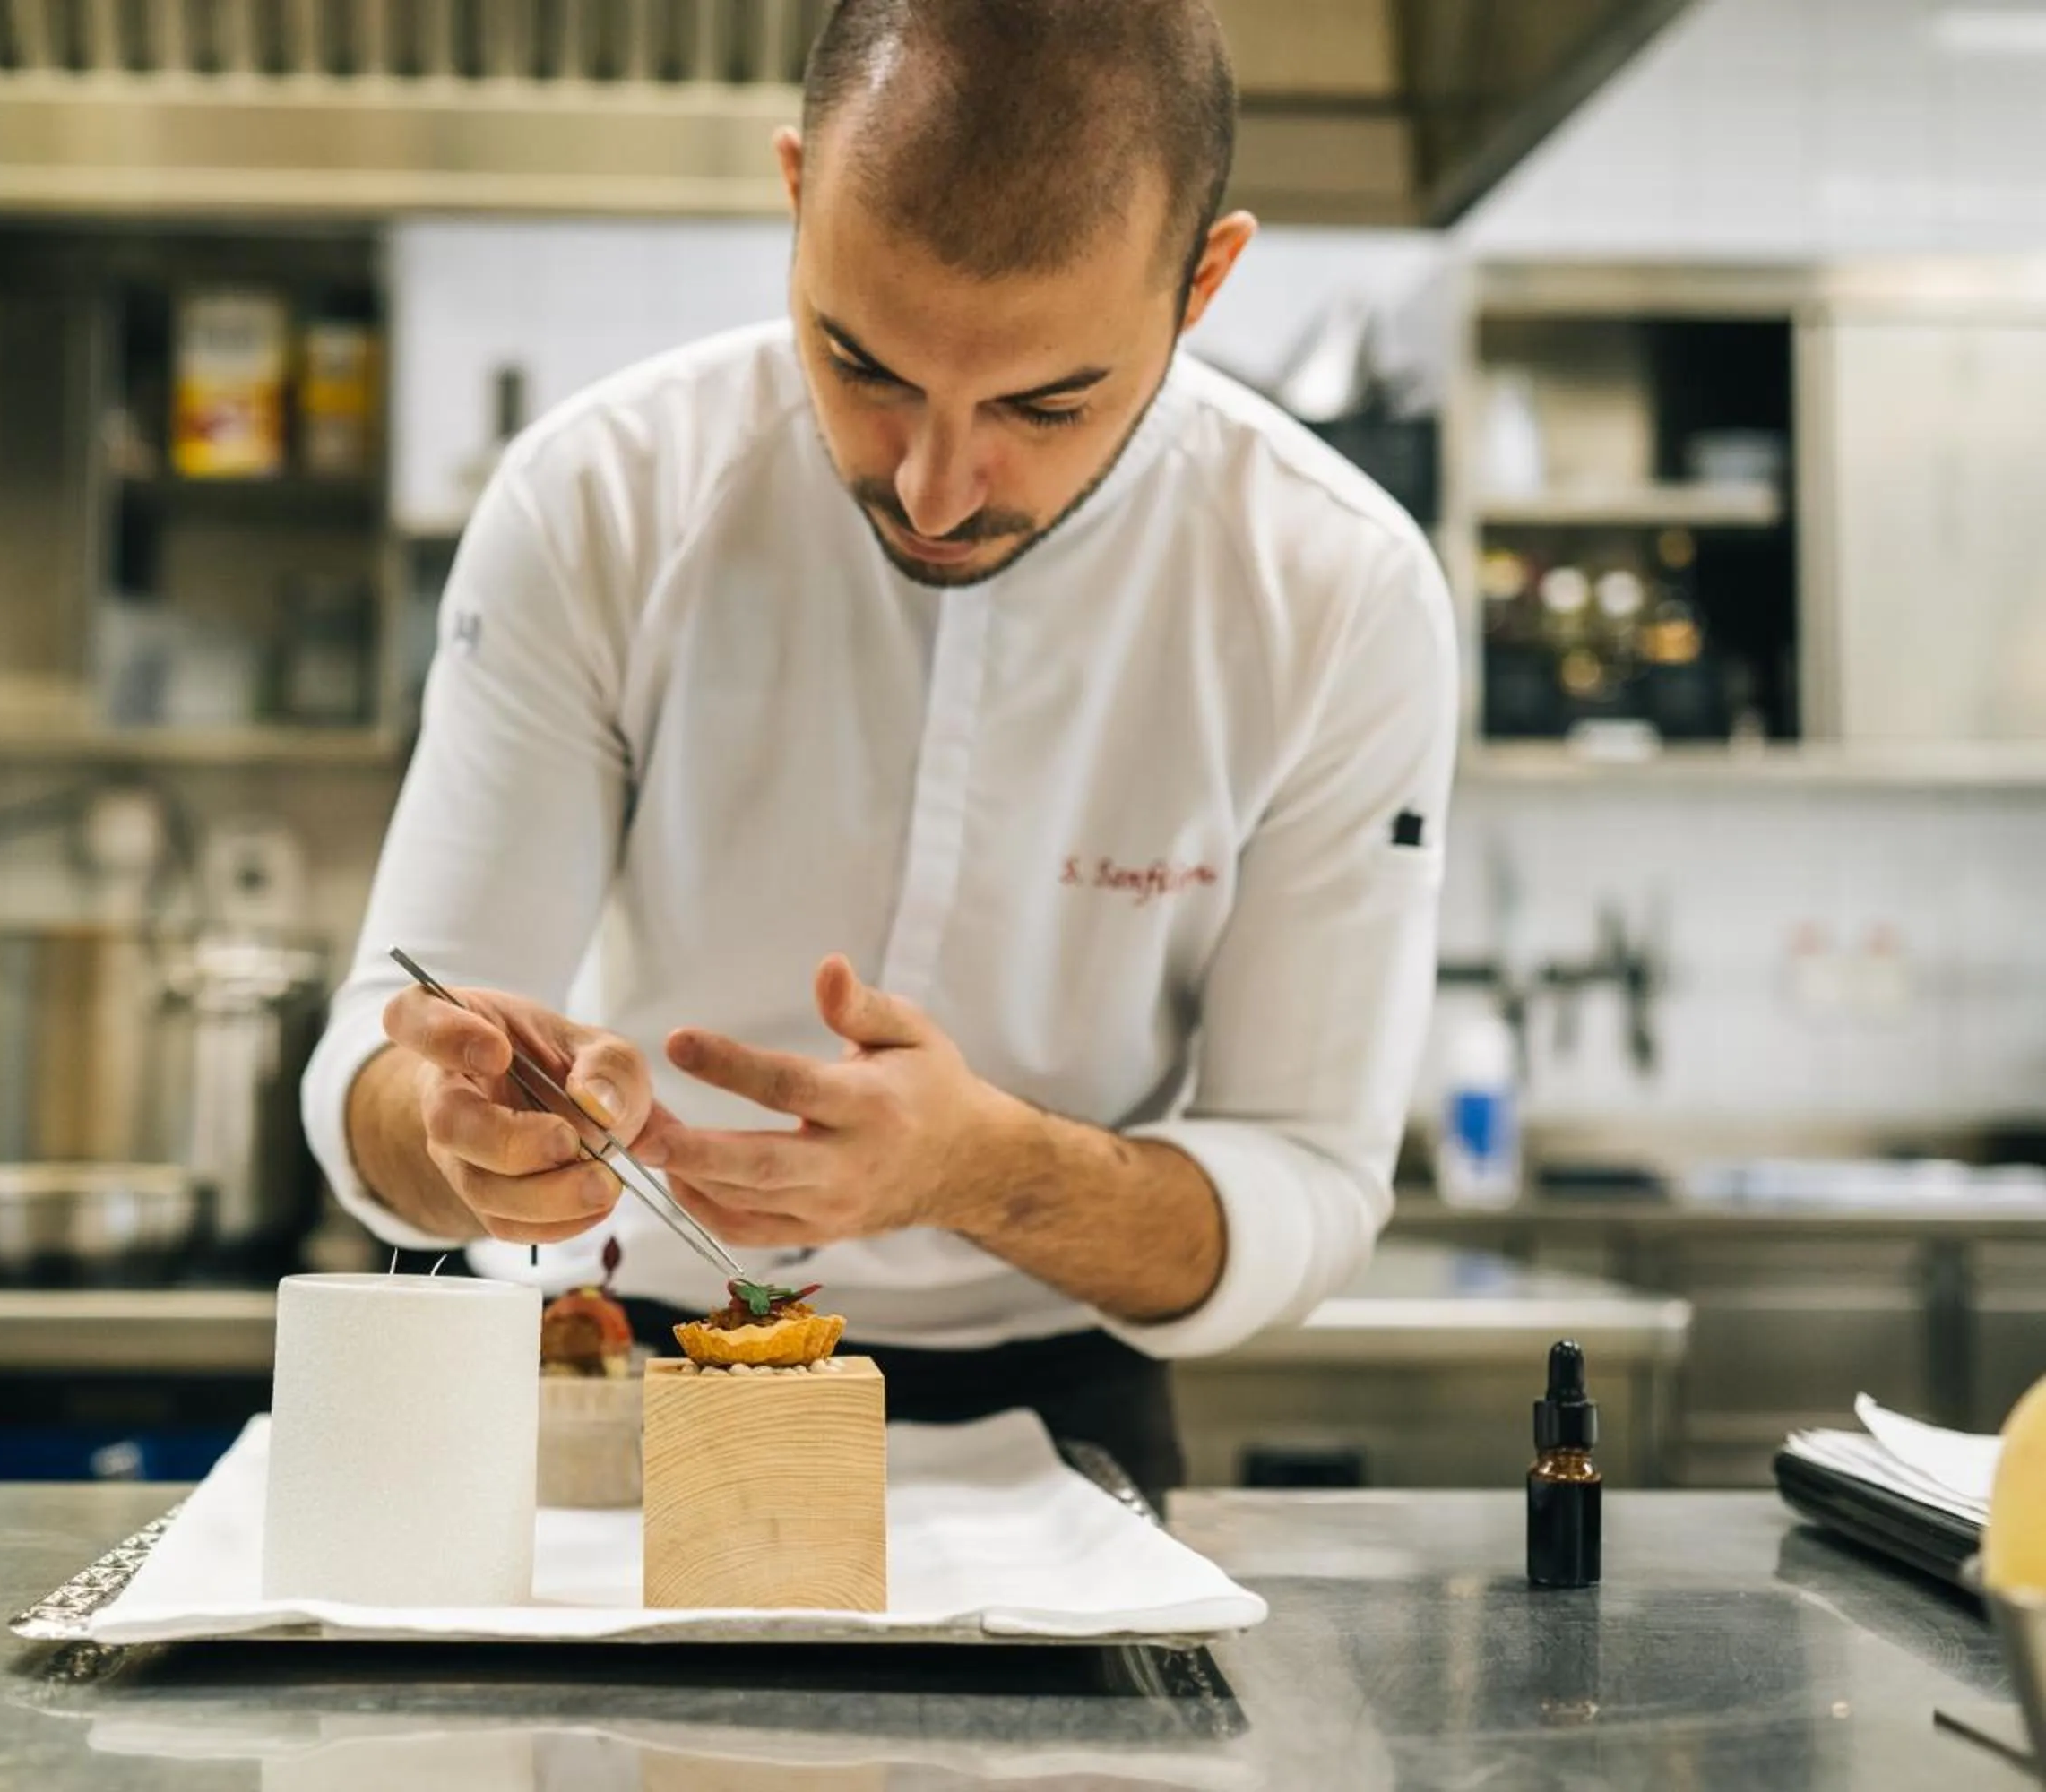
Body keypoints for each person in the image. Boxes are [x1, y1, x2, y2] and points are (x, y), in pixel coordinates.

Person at [298, 0, 1456, 1495]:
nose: (931, 486)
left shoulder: (1338, 593)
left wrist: (984, 1169)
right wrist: (451, 1134)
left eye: (1046, 401)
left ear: (1204, 283)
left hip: (1069, 1402)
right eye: (863, 364)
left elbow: (1310, 1176)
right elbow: (376, 1063)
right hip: (633, 1372)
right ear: (797, 199)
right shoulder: (598, 502)